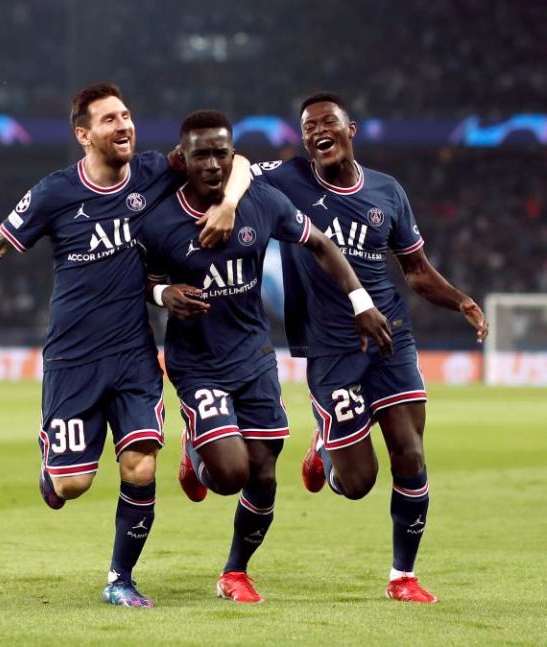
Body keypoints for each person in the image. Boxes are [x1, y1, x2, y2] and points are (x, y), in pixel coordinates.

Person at [0, 83, 250, 608]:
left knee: (141, 465)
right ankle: (53, 471)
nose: (123, 125)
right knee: (72, 485)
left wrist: (231, 204)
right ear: (83, 135)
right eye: (109, 120)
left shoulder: (155, 171)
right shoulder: (55, 193)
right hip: (73, 358)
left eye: (126, 115)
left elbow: (231, 160)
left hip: (133, 353)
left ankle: (120, 579)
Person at [137, 110, 391, 604]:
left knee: (265, 474)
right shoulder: (161, 220)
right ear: (182, 160)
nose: (212, 164)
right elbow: (138, 282)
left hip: (253, 359)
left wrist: (361, 300)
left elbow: (320, 243)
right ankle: (196, 453)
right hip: (199, 363)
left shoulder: (261, 201)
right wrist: (164, 293)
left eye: (220, 153)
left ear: (232, 157)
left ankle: (235, 571)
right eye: (201, 155)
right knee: (229, 475)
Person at [250, 92, 488, 604]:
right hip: (330, 347)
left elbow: (417, 271)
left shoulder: (387, 191)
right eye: (308, 126)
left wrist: (460, 300)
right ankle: (326, 448)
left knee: (410, 451)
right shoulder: (287, 178)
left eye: (327, 122)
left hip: (389, 336)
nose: (318, 131)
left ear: (350, 129)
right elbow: (238, 168)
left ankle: (403, 576)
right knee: (357, 482)